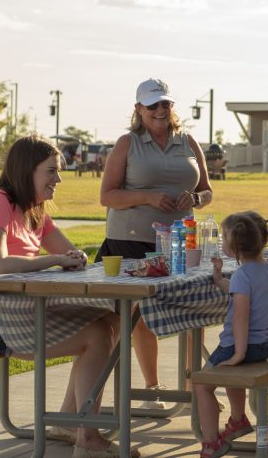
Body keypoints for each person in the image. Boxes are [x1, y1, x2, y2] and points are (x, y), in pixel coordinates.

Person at [0, 136, 132, 458]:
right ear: (26, 171)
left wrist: (75, 258)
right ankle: (86, 436)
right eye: (51, 171)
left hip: (17, 309)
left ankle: (69, 422)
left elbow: (68, 251)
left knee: (111, 320)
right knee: (97, 334)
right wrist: (53, 260)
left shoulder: (35, 211)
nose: (58, 179)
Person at [98, 78, 213, 406]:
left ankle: (194, 387)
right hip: (132, 240)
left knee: (191, 311)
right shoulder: (127, 143)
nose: (160, 111)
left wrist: (196, 197)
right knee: (141, 317)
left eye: (165, 104)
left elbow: (207, 191)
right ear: (139, 109)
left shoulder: (188, 141)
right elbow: (107, 196)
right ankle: (151, 389)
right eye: (153, 105)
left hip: (180, 240)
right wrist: (148, 196)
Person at [196, 211, 268, 458]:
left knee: (202, 386)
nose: (221, 242)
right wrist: (219, 279)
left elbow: (240, 318)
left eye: (223, 238)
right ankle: (237, 420)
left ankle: (211, 442)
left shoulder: (244, 275)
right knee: (231, 372)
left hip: (242, 345)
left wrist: (239, 353)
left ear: (234, 246)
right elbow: (239, 291)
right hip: (264, 344)